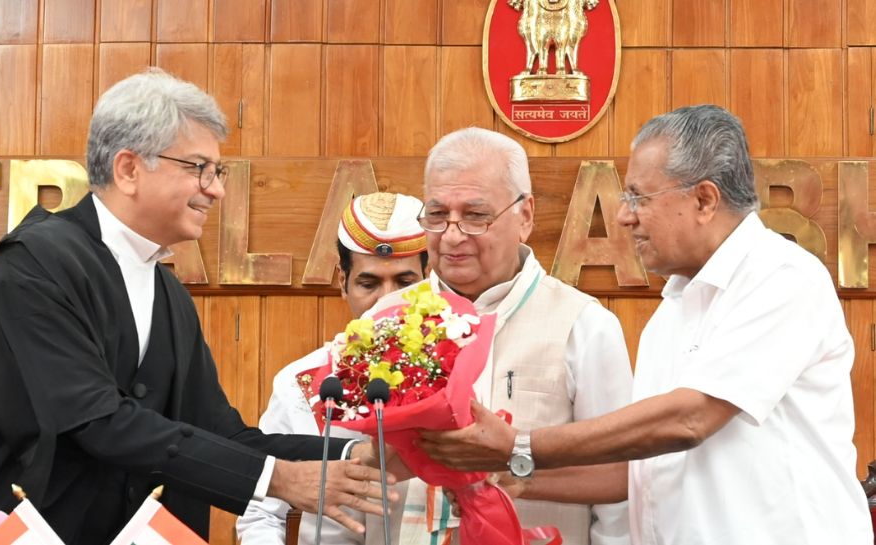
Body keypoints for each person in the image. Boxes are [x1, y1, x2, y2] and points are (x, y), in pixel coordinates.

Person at [0, 69, 396, 545]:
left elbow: (226, 435)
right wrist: (278, 479)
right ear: (129, 169)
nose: (216, 188)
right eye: (199, 168)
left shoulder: (168, 293)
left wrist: (362, 452)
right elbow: (94, 420)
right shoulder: (33, 263)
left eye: (218, 171)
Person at [418, 105, 874, 544]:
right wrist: (512, 475)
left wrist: (520, 446)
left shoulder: (780, 275)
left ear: (704, 199)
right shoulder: (671, 310)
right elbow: (640, 470)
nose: (623, 215)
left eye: (639, 197)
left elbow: (691, 418)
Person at [372, 127, 633, 545]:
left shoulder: (583, 325)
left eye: (476, 216)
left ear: (525, 216)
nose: (453, 235)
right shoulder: (384, 320)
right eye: (437, 216)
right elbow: (346, 478)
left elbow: (619, 488)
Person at [237, 191, 428, 544]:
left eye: (405, 283)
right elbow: (259, 510)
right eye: (368, 283)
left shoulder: (455, 373)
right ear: (342, 282)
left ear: (429, 280)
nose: (387, 299)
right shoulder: (302, 381)